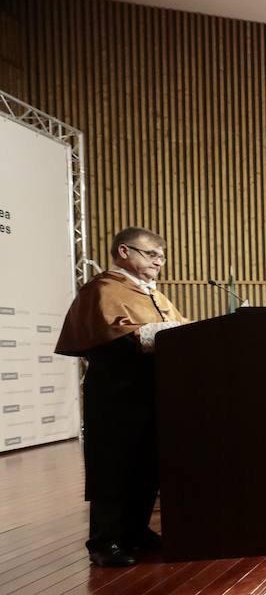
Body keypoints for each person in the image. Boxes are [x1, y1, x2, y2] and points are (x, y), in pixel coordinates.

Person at [55, 227, 187, 567]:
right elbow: (117, 338)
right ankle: (105, 541)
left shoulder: (154, 295)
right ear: (124, 252)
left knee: (147, 463)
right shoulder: (102, 289)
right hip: (117, 393)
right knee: (114, 466)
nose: (159, 261)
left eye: (161, 256)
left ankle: (136, 530)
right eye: (151, 254)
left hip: (155, 392)